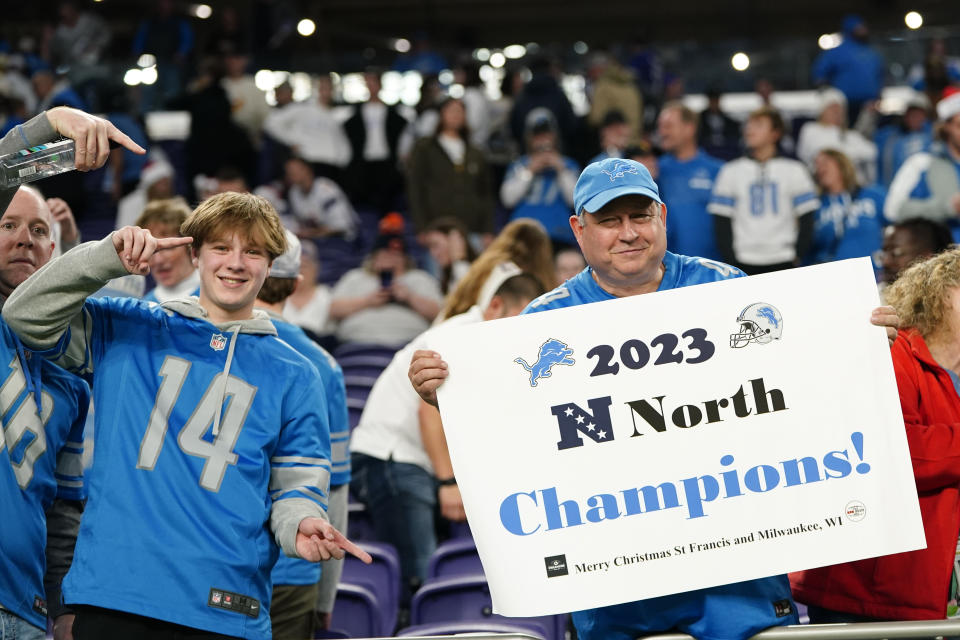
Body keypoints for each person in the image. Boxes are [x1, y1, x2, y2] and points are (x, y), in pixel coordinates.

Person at [408, 156, 900, 640]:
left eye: (640, 216)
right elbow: (513, 428)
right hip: (618, 582)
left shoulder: (726, 288)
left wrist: (863, 342)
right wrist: (447, 394)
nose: (628, 233)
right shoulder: (542, 322)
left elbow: (802, 381)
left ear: (661, 217)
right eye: (609, 221)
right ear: (579, 230)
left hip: (735, 575)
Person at [2, 191, 370, 639]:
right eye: (221, 247)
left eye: (252, 251)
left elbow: (297, 487)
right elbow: (23, 316)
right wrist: (103, 258)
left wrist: (300, 523)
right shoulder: (128, 326)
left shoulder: (299, 374)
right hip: (115, 596)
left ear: (270, 266)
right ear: (194, 254)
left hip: (226, 606)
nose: (235, 262)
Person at [351, 268, 545, 601]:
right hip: (391, 458)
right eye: (517, 318)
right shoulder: (459, 337)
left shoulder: (492, 341)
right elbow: (429, 410)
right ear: (495, 305)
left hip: (414, 460)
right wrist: (448, 483)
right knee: (422, 575)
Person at [792, 247, 960, 623]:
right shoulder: (889, 351)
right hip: (861, 596)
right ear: (935, 297)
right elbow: (899, 453)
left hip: (926, 599)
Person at [0, 187, 91, 640]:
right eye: (8, 225)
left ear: (53, 253)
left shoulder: (74, 386)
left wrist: (64, 604)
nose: (25, 240)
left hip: (27, 611)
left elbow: (63, 507)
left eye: (39, 230)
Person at [258, 231, 350, 639]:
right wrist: (327, 598)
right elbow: (334, 493)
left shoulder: (197, 342)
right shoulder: (323, 365)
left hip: (212, 563)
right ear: (296, 285)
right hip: (293, 569)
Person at [709, 107, 819, 274]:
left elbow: (807, 218)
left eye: (758, 125)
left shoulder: (795, 170)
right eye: (749, 124)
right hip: (743, 260)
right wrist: (731, 260)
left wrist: (798, 255)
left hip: (784, 259)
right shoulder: (730, 171)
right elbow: (722, 220)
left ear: (775, 133)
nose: (749, 129)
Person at [329, 220, 443, 347]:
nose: (390, 260)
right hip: (356, 344)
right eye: (385, 255)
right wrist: (367, 301)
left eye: (396, 256)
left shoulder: (419, 278)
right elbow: (333, 310)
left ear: (405, 260)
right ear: (373, 259)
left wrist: (409, 298)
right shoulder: (355, 277)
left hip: (409, 345)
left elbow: (440, 314)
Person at [406, 97, 495, 238]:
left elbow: (485, 194)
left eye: (460, 111)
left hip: (472, 227)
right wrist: (421, 227)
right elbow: (416, 188)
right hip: (437, 227)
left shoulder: (475, 152)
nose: (456, 115)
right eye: (451, 110)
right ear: (441, 114)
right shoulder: (425, 148)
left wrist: (488, 230)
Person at [437, 217, 556, 322]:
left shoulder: (485, 266)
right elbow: (488, 317)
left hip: (448, 328)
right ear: (541, 255)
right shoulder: (510, 277)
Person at [884, 93, 960, 239]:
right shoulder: (922, 163)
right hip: (944, 255)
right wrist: (948, 207)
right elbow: (892, 210)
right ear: (946, 127)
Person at [656, 101, 724, 260]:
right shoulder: (654, 172)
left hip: (712, 268)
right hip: (666, 270)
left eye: (668, 126)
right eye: (660, 126)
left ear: (689, 129)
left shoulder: (718, 171)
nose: (661, 132)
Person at [500, 117, 579, 247]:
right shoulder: (519, 165)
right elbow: (508, 199)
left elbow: (575, 200)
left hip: (559, 235)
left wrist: (561, 170)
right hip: (523, 234)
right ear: (530, 140)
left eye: (547, 135)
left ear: (554, 137)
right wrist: (529, 171)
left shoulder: (568, 165)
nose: (543, 141)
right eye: (538, 137)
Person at [805, 149, 885, 265]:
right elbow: (809, 250)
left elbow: (897, 224)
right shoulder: (815, 207)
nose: (820, 168)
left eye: (825, 162)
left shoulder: (872, 195)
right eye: (816, 165)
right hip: (836, 278)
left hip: (875, 274)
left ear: (841, 164)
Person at [811, 14, 884, 123]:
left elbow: (880, 76)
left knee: (864, 137)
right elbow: (819, 75)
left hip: (868, 105)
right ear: (850, 29)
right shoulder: (836, 52)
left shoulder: (872, 53)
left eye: (864, 27)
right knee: (842, 134)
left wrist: (878, 97)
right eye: (859, 27)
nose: (863, 30)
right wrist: (828, 95)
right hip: (843, 105)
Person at [796, 88, 877, 185]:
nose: (837, 112)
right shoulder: (810, 130)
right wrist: (853, 152)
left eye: (840, 109)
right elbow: (831, 153)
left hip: (856, 188)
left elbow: (871, 151)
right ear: (822, 112)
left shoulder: (851, 135)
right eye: (832, 108)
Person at [135, 198, 199, 302]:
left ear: (189, 246)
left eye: (168, 248)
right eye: (151, 250)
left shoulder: (220, 293)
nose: (158, 260)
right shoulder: (144, 307)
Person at [282, 156, 358, 241]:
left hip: (342, 240)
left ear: (308, 169)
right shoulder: (294, 192)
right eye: (288, 170)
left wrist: (311, 233)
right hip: (316, 240)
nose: (291, 173)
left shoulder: (326, 189)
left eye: (295, 169)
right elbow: (298, 222)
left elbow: (341, 226)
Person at [877, 217, 952, 287]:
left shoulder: (954, 296)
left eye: (896, 253)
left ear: (928, 259)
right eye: (884, 254)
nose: (885, 262)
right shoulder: (874, 297)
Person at [421, 217, 476, 296]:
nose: (433, 253)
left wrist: (459, 259)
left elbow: (467, 295)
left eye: (435, 245)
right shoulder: (447, 279)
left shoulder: (478, 269)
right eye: (429, 248)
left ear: (455, 240)